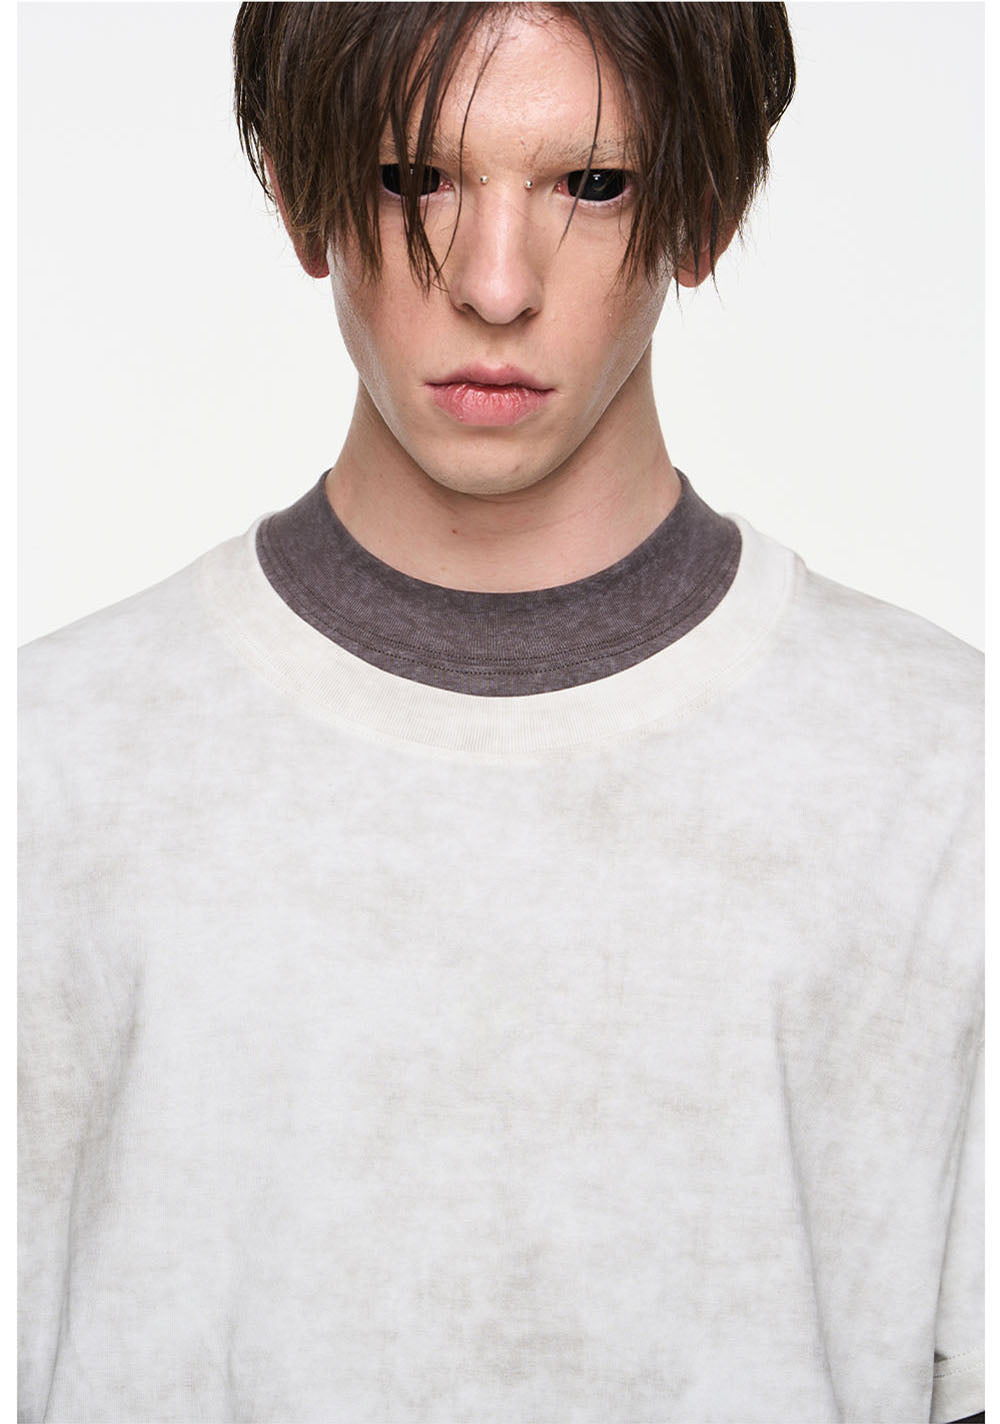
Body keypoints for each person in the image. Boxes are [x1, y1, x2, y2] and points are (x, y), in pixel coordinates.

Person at [18, 3, 983, 1421]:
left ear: (707, 215)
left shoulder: (946, 777)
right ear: (301, 197)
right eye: (414, 177)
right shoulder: (49, 772)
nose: (493, 282)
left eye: (592, 183)